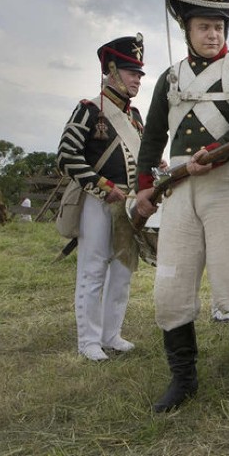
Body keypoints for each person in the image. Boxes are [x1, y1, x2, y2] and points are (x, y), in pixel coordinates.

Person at [133, 0, 229, 415]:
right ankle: (183, 380)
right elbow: (153, 136)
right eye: (203, 26)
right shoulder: (170, 78)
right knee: (170, 290)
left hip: (227, 182)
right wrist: (143, 188)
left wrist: (213, 152)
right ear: (187, 27)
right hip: (177, 188)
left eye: (218, 26)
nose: (213, 34)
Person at [56, 35, 145, 361]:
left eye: (139, 73)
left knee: (122, 271)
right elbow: (66, 156)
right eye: (130, 71)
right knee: (93, 270)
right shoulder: (89, 110)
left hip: (129, 202)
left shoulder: (135, 118)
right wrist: (103, 185)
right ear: (110, 70)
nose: (137, 78)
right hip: (98, 199)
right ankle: (89, 341)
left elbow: (140, 156)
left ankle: (111, 334)